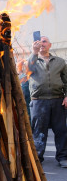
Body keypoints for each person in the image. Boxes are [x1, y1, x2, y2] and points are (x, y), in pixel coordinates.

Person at [27, 36, 67, 168]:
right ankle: (38, 157)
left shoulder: (60, 62)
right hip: (39, 101)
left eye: (44, 41)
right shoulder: (33, 61)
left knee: (61, 130)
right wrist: (34, 52)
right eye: (39, 42)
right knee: (39, 130)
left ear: (50, 45)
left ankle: (62, 157)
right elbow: (27, 70)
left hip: (58, 100)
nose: (41, 44)